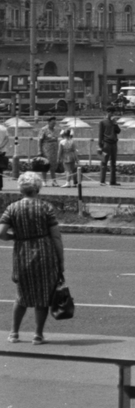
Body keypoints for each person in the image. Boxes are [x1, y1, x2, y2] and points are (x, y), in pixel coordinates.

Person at [1, 172, 63, 344]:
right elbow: (56, 237)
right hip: (45, 254)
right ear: (38, 188)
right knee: (43, 296)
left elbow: (1, 233)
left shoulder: (12, 208)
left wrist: (15, 237)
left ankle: (14, 333)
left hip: (22, 253)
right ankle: (38, 334)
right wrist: (61, 261)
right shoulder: (45, 208)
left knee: (21, 295)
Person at [98, 107, 120, 186]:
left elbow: (118, 131)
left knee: (113, 163)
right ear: (107, 112)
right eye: (111, 112)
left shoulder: (114, 122)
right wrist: (100, 146)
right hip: (106, 144)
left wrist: (115, 124)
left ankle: (113, 181)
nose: (112, 114)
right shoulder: (102, 122)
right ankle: (102, 181)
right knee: (104, 162)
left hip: (114, 143)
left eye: (113, 113)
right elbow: (100, 134)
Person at [40, 118, 61, 186]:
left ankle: (54, 181)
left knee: (53, 166)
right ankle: (44, 181)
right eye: (52, 123)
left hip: (54, 150)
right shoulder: (43, 129)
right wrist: (40, 150)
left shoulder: (55, 130)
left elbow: (57, 139)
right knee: (45, 165)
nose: (54, 125)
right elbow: (40, 140)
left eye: (54, 123)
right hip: (46, 150)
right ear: (48, 122)